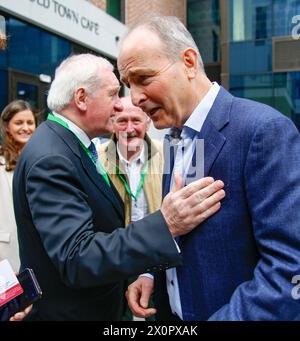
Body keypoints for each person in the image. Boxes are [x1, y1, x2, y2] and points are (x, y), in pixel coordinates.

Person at [12, 54, 225, 321]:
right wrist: (166, 223)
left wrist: (148, 272)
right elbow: (78, 257)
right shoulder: (53, 157)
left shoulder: (72, 146)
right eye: (114, 94)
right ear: (81, 98)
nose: (121, 106)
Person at [118, 15, 300, 321]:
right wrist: (150, 274)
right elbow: (184, 232)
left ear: (188, 62)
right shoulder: (174, 138)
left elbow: (288, 271)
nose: (135, 98)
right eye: (128, 85)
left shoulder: (263, 130)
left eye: (143, 79)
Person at [98, 96, 162, 320]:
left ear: (147, 121)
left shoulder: (169, 154)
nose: (130, 128)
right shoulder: (97, 159)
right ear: (112, 122)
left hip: (156, 254)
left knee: (156, 313)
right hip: (115, 255)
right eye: (122, 121)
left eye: (136, 120)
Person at [0, 100, 37, 272]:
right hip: (6, 253)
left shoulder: (40, 158)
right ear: (7, 127)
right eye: (19, 122)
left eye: (30, 123)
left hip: (36, 249)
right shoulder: (0, 162)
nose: (26, 128)